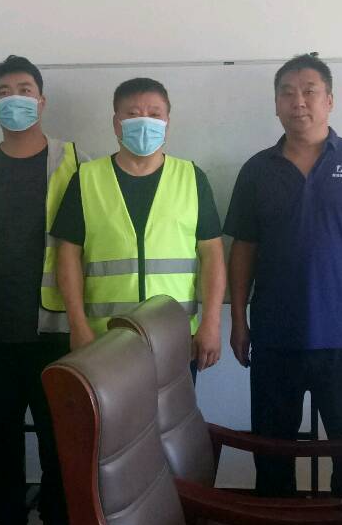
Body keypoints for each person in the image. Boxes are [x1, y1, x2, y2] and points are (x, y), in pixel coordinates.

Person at [224, 53, 342, 499]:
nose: (298, 102)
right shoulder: (257, 170)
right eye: (287, 93)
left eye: (309, 92)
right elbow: (243, 250)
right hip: (274, 338)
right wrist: (239, 320)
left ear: (330, 101)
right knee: (272, 450)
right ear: (276, 104)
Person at [0, 55, 81, 525]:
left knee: (60, 442)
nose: (16, 98)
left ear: (42, 100)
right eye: (5, 91)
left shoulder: (73, 163)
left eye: (26, 89)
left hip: (55, 332)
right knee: (0, 442)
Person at [53, 76, 225, 371]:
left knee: (175, 404)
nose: (144, 122)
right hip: (104, 337)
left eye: (154, 114)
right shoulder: (86, 179)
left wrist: (211, 323)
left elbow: (212, 254)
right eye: (133, 114)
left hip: (175, 336)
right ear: (116, 123)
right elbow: (67, 256)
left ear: (167, 122)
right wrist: (77, 324)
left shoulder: (191, 178)